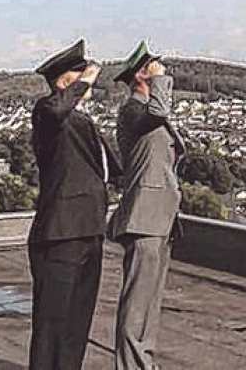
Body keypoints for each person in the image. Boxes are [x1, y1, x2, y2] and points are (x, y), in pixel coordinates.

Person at [28, 38, 122, 370]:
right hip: (60, 233)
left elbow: (112, 168)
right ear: (65, 79)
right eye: (80, 73)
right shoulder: (47, 112)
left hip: (88, 230)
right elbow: (56, 109)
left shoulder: (81, 121)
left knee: (76, 323)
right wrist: (85, 82)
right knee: (53, 323)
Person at [109, 41, 185, 370]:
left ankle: (143, 363)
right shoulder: (134, 109)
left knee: (149, 303)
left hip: (158, 216)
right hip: (144, 217)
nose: (159, 70)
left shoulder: (143, 111)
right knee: (138, 304)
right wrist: (160, 80)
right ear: (141, 73)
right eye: (152, 66)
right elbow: (159, 112)